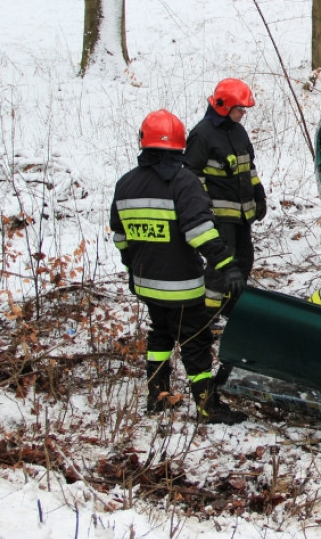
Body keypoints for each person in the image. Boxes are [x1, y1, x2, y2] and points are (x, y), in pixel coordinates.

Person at [110, 109, 248, 425]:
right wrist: (228, 266)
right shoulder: (183, 182)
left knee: (160, 333)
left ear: (144, 143)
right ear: (179, 145)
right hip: (181, 285)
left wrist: (132, 267)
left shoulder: (126, 184)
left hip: (146, 282)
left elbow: (120, 236)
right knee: (195, 341)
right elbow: (200, 231)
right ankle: (206, 405)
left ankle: (157, 395)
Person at [184, 78, 266, 316]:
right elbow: (192, 177)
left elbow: (248, 168)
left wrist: (259, 196)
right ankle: (208, 314)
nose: (243, 113)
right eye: (240, 109)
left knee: (244, 260)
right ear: (224, 106)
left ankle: (231, 309)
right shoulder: (202, 135)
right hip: (219, 215)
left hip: (241, 215)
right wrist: (204, 209)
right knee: (221, 265)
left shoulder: (239, 132)